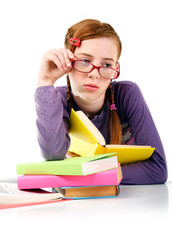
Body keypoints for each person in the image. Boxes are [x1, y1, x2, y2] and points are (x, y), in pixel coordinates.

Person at [35, 19, 167, 184]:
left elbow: (157, 170)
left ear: (115, 69)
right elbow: (53, 155)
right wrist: (45, 81)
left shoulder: (127, 94)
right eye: (84, 61)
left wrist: (90, 173)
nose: (95, 74)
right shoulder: (57, 100)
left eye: (106, 64)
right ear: (67, 62)